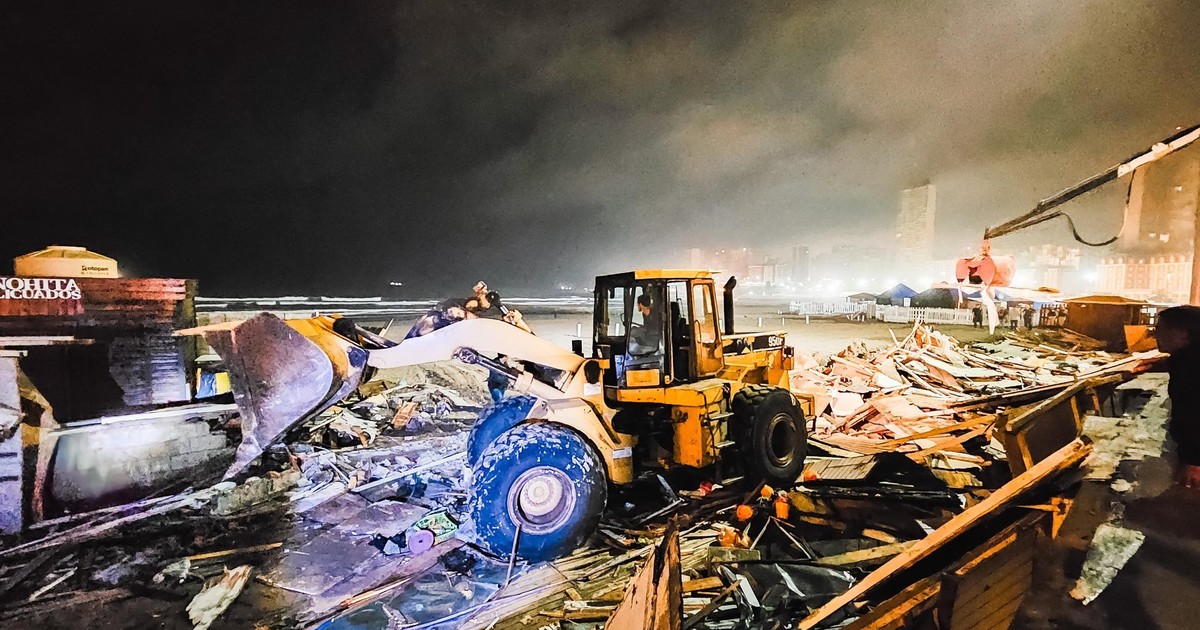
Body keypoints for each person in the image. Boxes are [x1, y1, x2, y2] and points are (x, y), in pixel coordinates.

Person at [1156, 305, 1200, 488]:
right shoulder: (1185, 359)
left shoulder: (1191, 366)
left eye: (1161, 329)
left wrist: (1193, 460)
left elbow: (1193, 412)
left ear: (1183, 333)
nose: (1155, 335)